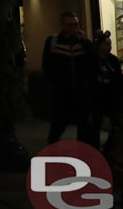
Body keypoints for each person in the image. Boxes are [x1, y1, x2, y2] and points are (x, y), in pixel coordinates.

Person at [42, 11, 99, 146]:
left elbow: (95, 60)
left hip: (81, 91)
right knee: (58, 124)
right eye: (69, 24)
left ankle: (83, 154)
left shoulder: (83, 42)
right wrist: (52, 85)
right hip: (62, 91)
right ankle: (51, 153)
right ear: (62, 25)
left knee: (83, 125)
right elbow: (46, 65)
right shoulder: (53, 41)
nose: (73, 27)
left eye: (75, 24)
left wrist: (85, 41)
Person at [93, 31, 123, 149]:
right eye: (106, 44)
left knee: (116, 124)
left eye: (110, 44)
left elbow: (118, 79)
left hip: (112, 97)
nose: (109, 47)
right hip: (98, 97)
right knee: (96, 124)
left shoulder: (113, 60)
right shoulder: (94, 60)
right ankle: (95, 147)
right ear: (99, 45)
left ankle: (111, 146)